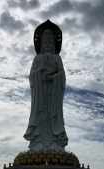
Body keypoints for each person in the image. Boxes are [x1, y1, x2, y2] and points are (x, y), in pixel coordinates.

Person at [24, 21, 68, 151]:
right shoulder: (37, 58)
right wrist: (40, 74)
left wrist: (54, 77)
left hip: (53, 96)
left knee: (54, 115)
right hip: (41, 94)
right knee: (40, 116)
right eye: (45, 39)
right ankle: (38, 142)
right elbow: (32, 76)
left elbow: (62, 75)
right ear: (41, 42)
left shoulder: (57, 58)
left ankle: (55, 142)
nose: (48, 42)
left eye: (50, 39)